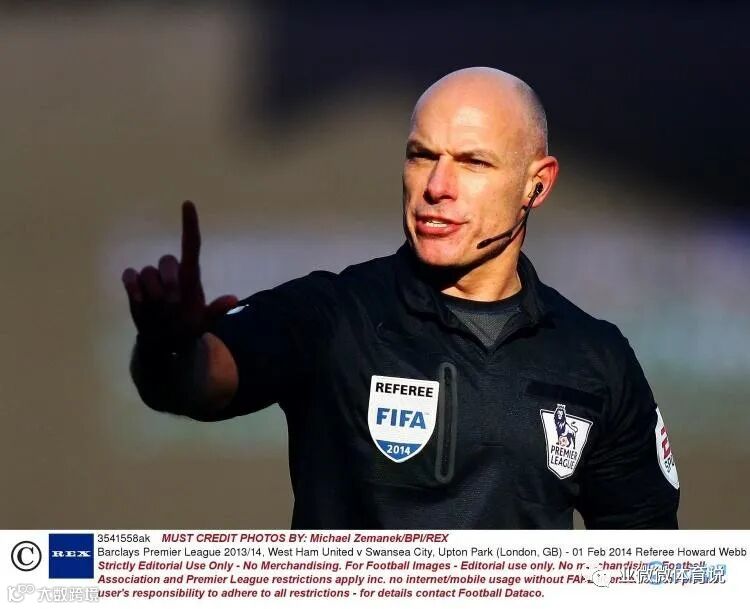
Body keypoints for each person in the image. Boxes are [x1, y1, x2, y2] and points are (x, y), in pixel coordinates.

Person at [122, 67, 680, 529]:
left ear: (537, 184)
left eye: (473, 162)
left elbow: (647, 565)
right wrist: (170, 347)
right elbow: (201, 381)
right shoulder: (333, 316)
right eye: (421, 155)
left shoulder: (596, 359)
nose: (436, 186)